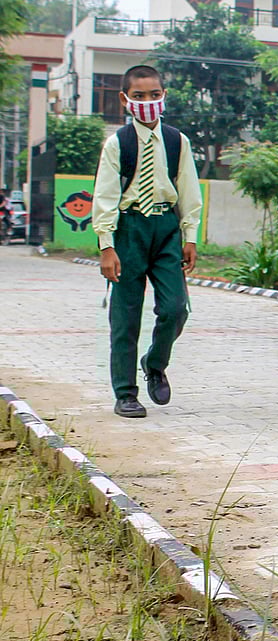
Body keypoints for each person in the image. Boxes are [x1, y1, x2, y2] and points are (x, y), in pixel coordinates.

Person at [91, 64, 203, 418]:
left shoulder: (176, 140)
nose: (147, 102)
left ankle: (154, 363)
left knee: (174, 309)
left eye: (154, 95)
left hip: (166, 229)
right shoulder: (118, 143)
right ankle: (125, 392)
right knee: (125, 316)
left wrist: (190, 235)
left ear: (163, 95)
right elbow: (105, 195)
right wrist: (106, 245)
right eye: (139, 96)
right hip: (129, 229)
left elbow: (189, 189)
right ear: (125, 100)